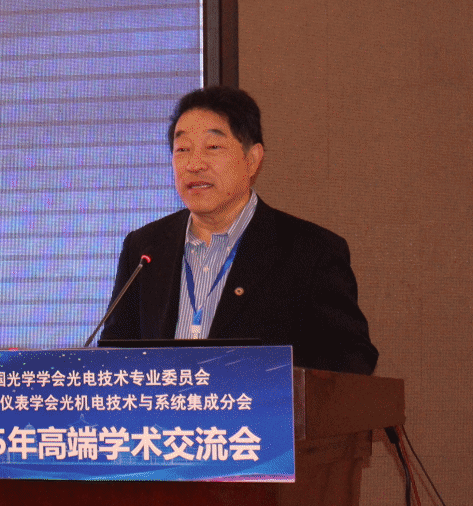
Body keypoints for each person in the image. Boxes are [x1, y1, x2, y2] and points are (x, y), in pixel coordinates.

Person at [99, 86, 378, 374]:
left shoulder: (311, 252)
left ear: (252, 160)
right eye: (182, 150)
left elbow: (351, 361)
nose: (194, 164)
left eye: (213, 147)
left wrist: (269, 384)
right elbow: (113, 356)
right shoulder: (145, 247)